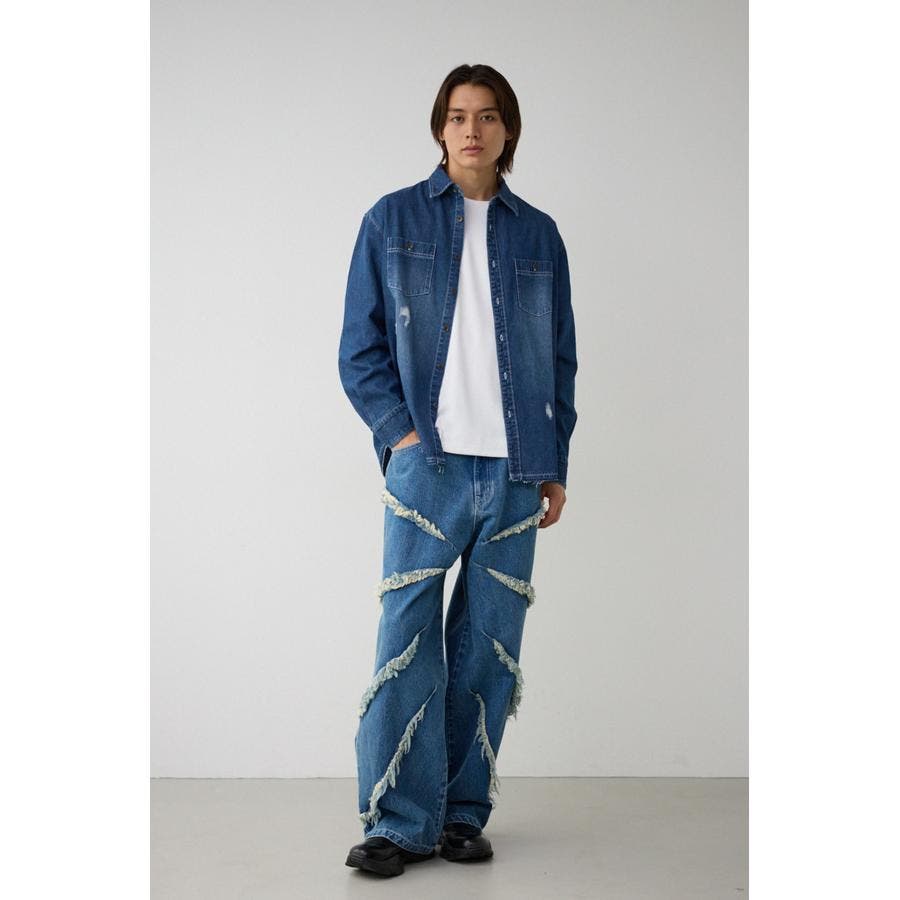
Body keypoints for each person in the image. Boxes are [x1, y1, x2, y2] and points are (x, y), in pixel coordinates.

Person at [338, 63, 578, 877]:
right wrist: (401, 437)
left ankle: (460, 815)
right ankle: (397, 821)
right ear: (439, 129)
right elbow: (359, 348)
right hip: (427, 469)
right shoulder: (392, 219)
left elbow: (560, 358)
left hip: (516, 471)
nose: (471, 130)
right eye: (457, 116)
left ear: (508, 130)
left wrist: (554, 462)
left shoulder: (539, 235)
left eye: (487, 116)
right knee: (406, 643)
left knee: (487, 649)